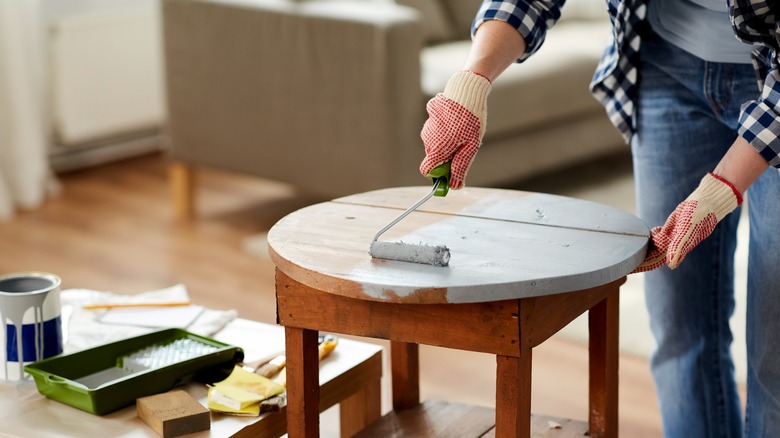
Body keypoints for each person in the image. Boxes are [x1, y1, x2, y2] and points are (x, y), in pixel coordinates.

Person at [419, 0, 780, 435]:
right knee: (679, 326)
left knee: (773, 353)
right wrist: (471, 80)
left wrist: (724, 185)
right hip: (665, 60)